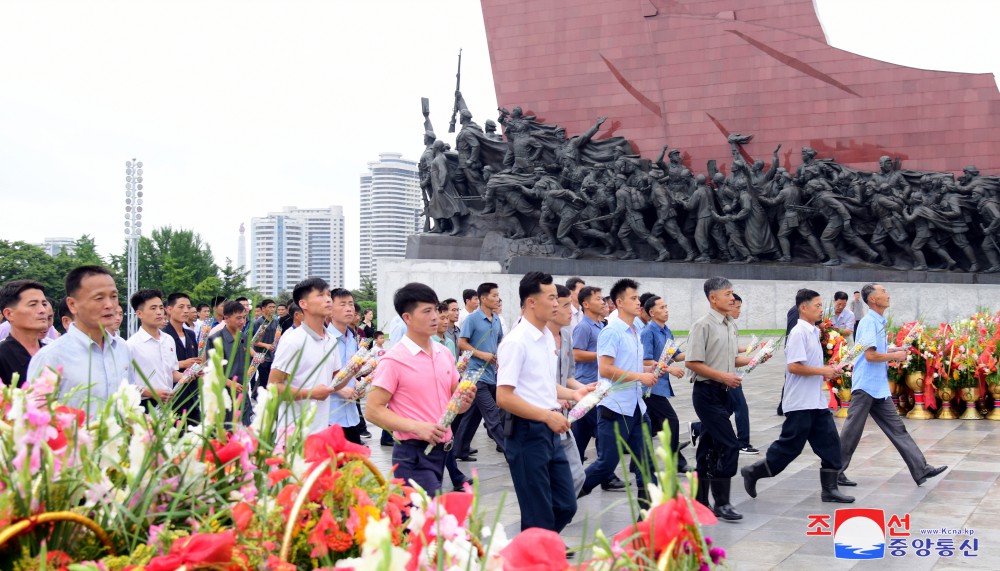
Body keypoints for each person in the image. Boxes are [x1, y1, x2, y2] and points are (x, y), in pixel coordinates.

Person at [497, 273, 593, 532]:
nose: (557, 303)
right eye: (551, 298)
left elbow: (540, 383)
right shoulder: (516, 342)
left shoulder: (547, 337)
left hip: (550, 431)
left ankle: (536, 549)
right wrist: (546, 415)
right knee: (538, 514)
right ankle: (536, 554)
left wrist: (573, 394)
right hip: (527, 432)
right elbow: (504, 396)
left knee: (565, 505)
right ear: (531, 302)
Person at [741, 289, 855, 503]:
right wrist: (823, 371)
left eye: (821, 305)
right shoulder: (798, 332)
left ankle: (829, 490)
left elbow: (811, 365)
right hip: (800, 403)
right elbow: (794, 367)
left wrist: (830, 369)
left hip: (816, 401)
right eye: (818, 305)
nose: (821, 309)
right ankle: (754, 471)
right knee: (790, 447)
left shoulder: (813, 331)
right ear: (804, 308)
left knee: (831, 443)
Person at [366, 282, 477, 494]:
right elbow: (373, 410)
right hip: (413, 453)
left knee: (429, 521)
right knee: (420, 520)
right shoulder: (394, 360)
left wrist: (464, 401)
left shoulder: (443, 354)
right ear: (407, 318)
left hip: (442, 451)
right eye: (427, 311)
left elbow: (455, 404)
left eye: (435, 309)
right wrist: (417, 427)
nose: (435, 316)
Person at [839, 283, 947, 487]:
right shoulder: (869, 322)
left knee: (898, 429)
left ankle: (921, 468)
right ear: (872, 299)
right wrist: (895, 355)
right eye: (883, 292)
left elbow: (876, 348)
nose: (887, 295)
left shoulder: (878, 321)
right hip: (865, 387)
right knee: (851, 433)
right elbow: (870, 356)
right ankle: (833, 471)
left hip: (877, 388)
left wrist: (893, 348)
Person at [578, 278, 658, 504]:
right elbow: (605, 368)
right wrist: (641, 376)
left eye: (638, 298)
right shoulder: (611, 331)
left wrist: (649, 368)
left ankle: (649, 515)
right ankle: (568, 495)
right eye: (633, 298)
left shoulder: (635, 331)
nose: (638, 302)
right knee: (606, 464)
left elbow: (630, 365)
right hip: (615, 408)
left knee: (646, 464)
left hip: (637, 408)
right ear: (620, 302)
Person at [685, 276, 752, 521]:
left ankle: (700, 501)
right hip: (706, 393)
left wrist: (756, 358)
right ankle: (722, 502)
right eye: (727, 294)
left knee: (708, 446)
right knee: (730, 444)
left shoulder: (729, 324)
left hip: (724, 394)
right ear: (713, 298)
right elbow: (692, 362)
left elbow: (731, 359)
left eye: (732, 293)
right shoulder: (702, 325)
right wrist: (723, 377)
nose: (732, 298)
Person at [28, 266, 130, 415]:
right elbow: (36, 418)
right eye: (99, 298)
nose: (109, 305)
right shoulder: (51, 356)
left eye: (113, 296)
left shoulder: (122, 348)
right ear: (72, 305)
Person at [269, 278, 347, 436]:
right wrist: (311, 393)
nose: (327, 299)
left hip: (321, 432)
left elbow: (334, 384)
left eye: (328, 295)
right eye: (320, 295)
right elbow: (273, 387)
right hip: (294, 435)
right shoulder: (292, 340)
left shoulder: (331, 339)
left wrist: (355, 370)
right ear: (303, 304)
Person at [454, 282, 506, 459]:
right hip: (475, 375)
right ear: (483, 298)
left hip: (491, 374)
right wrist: (481, 354)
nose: (497, 299)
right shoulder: (472, 319)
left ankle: (459, 449)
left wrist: (498, 357)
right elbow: (462, 343)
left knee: (473, 416)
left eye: (498, 295)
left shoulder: (497, 319)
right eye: (494, 295)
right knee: (493, 414)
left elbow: (499, 341)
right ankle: (511, 451)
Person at [640, 295, 689, 471]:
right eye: (661, 308)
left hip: (660, 385)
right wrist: (670, 370)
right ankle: (676, 461)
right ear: (651, 312)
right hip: (650, 387)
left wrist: (698, 351)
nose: (666, 310)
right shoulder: (648, 332)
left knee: (650, 426)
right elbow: (646, 362)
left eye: (666, 306)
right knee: (671, 421)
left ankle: (636, 464)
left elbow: (676, 355)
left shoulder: (667, 330)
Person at [549, 284, 588, 495]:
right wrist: (558, 396)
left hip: (563, 414)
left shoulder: (566, 336)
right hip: (546, 414)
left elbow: (569, 377)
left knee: (577, 474)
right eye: (565, 306)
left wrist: (587, 389)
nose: (569, 312)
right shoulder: (538, 339)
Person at [432, 302, 472, 491]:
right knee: (445, 437)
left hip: (450, 394)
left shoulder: (448, 343)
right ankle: (456, 476)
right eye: (442, 318)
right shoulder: (431, 343)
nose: (445, 322)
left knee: (447, 437)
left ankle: (453, 475)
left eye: (447, 318)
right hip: (436, 398)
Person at [126, 289, 182, 409]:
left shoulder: (168, 340)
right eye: (153, 308)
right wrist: (150, 392)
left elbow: (172, 373)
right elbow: (125, 385)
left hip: (168, 403)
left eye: (161, 308)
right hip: (145, 405)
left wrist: (188, 375)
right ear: (139, 314)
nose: (159, 312)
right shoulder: (131, 345)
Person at [326, 288, 364, 444]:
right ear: (330, 310)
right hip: (329, 417)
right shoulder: (325, 340)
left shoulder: (351, 338)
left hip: (351, 416)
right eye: (342, 304)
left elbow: (349, 372)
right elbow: (317, 376)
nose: (349, 309)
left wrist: (357, 383)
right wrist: (340, 389)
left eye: (351, 304)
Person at [207, 301, 250, 425]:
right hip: (225, 394)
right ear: (226, 318)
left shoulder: (244, 337)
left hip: (242, 393)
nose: (242, 321)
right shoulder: (215, 339)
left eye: (244, 317)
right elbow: (212, 370)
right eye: (238, 318)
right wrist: (229, 383)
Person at [0, 280, 50, 386]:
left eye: (44, 304)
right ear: (9, 314)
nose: (42, 310)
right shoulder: (3, 356)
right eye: (33, 304)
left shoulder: (53, 353)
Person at [163, 292, 203, 421]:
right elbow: (159, 365)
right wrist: (182, 364)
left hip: (192, 394)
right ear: (169, 310)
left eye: (189, 307)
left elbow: (195, 361)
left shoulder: (190, 334)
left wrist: (198, 370)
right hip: (173, 395)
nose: (186, 311)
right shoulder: (163, 336)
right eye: (181, 307)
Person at [727, 294, 756, 455]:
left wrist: (747, 350)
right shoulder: (722, 325)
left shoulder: (731, 325)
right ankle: (743, 443)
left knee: (726, 410)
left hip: (731, 374)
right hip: (725, 376)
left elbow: (732, 349)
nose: (739, 311)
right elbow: (730, 358)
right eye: (737, 307)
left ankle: (698, 428)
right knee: (741, 407)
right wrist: (754, 359)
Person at [252, 299, 280, 392]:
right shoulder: (259, 322)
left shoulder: (275, 321)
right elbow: (253, 341)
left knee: (270, 381)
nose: (272, 309)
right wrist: (266, 345)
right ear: (263, 309)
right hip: (261, 355)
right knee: (264, 381)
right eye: (270, 307)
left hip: (272, 355)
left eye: (274, 307)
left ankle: (257, 395)